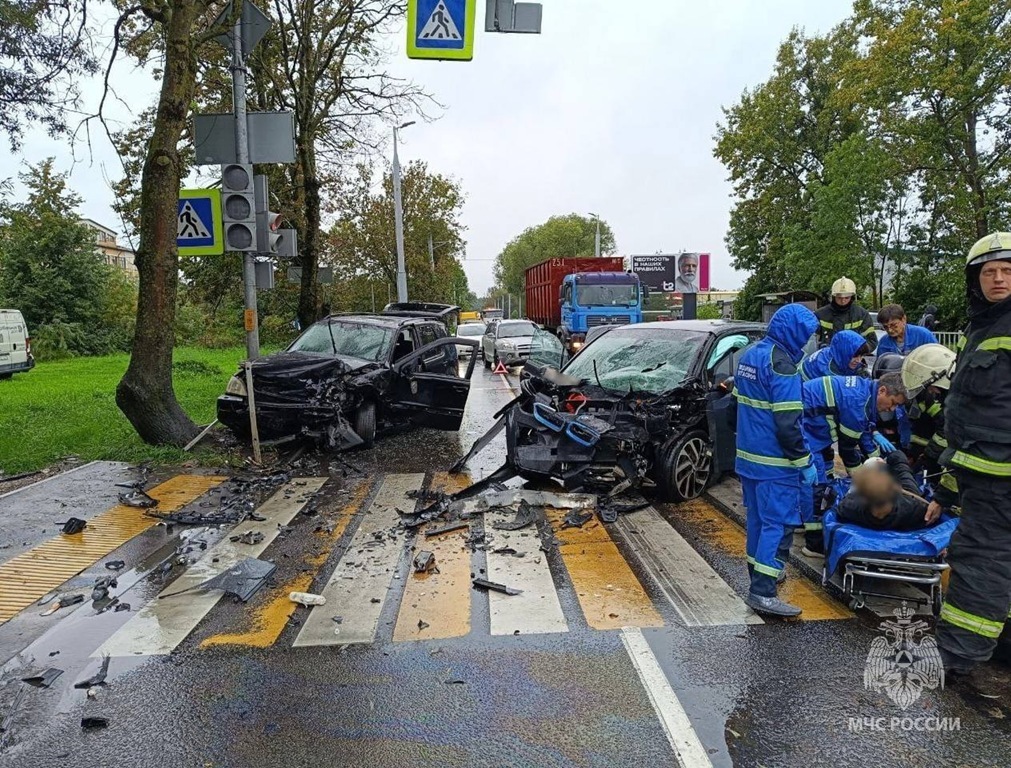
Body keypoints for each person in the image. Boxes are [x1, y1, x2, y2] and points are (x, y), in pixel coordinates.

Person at [936, 232, 1011, 676]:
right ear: (975, 280)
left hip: (1000, 475)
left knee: (981, 560)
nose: (999, 279)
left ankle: (958, 656)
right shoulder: (983, 328)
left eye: (1007, 271)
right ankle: (1000, 643)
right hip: (981, 470)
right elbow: (963, 416)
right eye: (989, 272)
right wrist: (945, 491)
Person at [734, 303, 819, 617]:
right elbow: (788, 424)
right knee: (777, 526)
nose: (806, 341)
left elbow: (734, 409)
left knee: (757, 522)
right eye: (805, 335)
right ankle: (763, 592)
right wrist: (804, 461)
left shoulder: (751, 354)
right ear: (793, 332)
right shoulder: (782, 365)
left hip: (749, 460)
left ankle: (760, 575)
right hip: (775, 464)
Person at [798, 372, 908, 556]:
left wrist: (879, 460)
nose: (892, 409)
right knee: (816, 486)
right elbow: (848, 449)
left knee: (818, 480)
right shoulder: (857, 401)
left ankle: (802, 522)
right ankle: (814, 544)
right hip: (806, 431)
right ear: (882, 390)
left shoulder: (864, 393)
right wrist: (864, 479)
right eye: (894, 402)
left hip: (812, 429)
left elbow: (863, 433)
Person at [902, 344, 959, 508]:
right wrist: (915, 452)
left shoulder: (960, 403)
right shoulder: (951, 395)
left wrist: (928, 454)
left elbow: (951, 437)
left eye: (931, 387)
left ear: (942, 375)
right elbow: (921, 429)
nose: (932, 392)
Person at [836, 451, 947, 531]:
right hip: (905, 500)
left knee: (874, 463)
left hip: (880, 499)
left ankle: (875, 466)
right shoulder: (916, 510)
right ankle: (883, 463)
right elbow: (932, 514)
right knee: (898, 458)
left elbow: (845, 502)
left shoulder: (850, 508)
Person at [815, 277, 878, 353]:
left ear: (852, 297)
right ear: (833, 297)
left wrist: (858, 351)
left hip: (853, 360)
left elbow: (871, 341)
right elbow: (810, 340)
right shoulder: (820, 314)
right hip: (826, 359)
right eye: (839, 297)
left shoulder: (861, 314)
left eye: (846, 297)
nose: (843, 301)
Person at [801, 329, 870, 381]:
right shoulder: (829, 371)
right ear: (844, 352)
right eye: (855, 356)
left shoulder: (834, 352)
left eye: (861, 356)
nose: (858, 360)